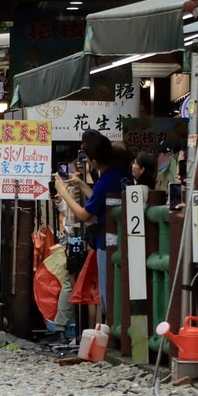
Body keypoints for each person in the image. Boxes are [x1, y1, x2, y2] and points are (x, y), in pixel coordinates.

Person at [51, 130, 124, 321]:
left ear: (93, 161)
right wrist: (82, 185)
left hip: (107, 242)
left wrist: (63, 191)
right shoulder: (118, 174)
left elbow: (84, 214)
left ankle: (113, 334)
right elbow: (100, 200)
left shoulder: (105, 181)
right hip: (122, 239)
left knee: (108, 293)